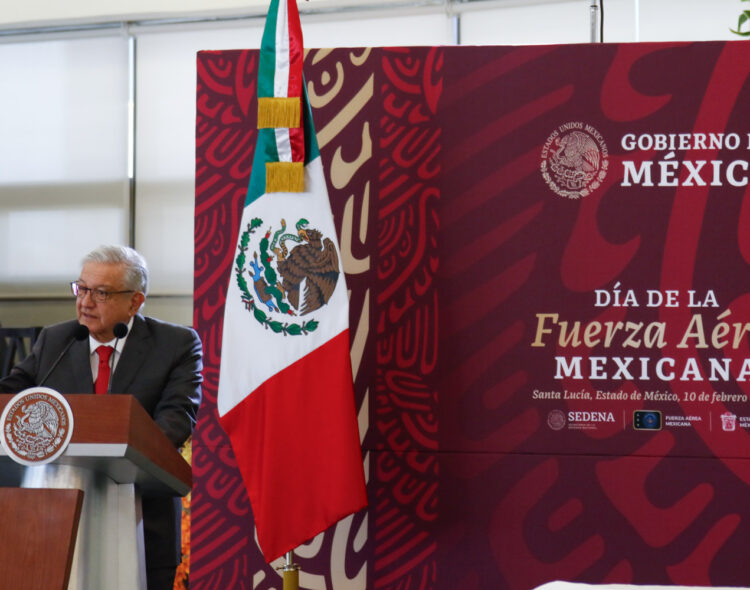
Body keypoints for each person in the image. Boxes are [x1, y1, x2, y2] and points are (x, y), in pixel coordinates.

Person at [0, 244, 203, 590]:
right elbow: (10, 396)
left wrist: (119, 439)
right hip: (50, 522)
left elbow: (176, 419)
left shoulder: (176, 344)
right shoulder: (56, 340)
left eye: (101, 293)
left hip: (142, 518)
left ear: (135, 302)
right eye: (81, 288)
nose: (85, 302)